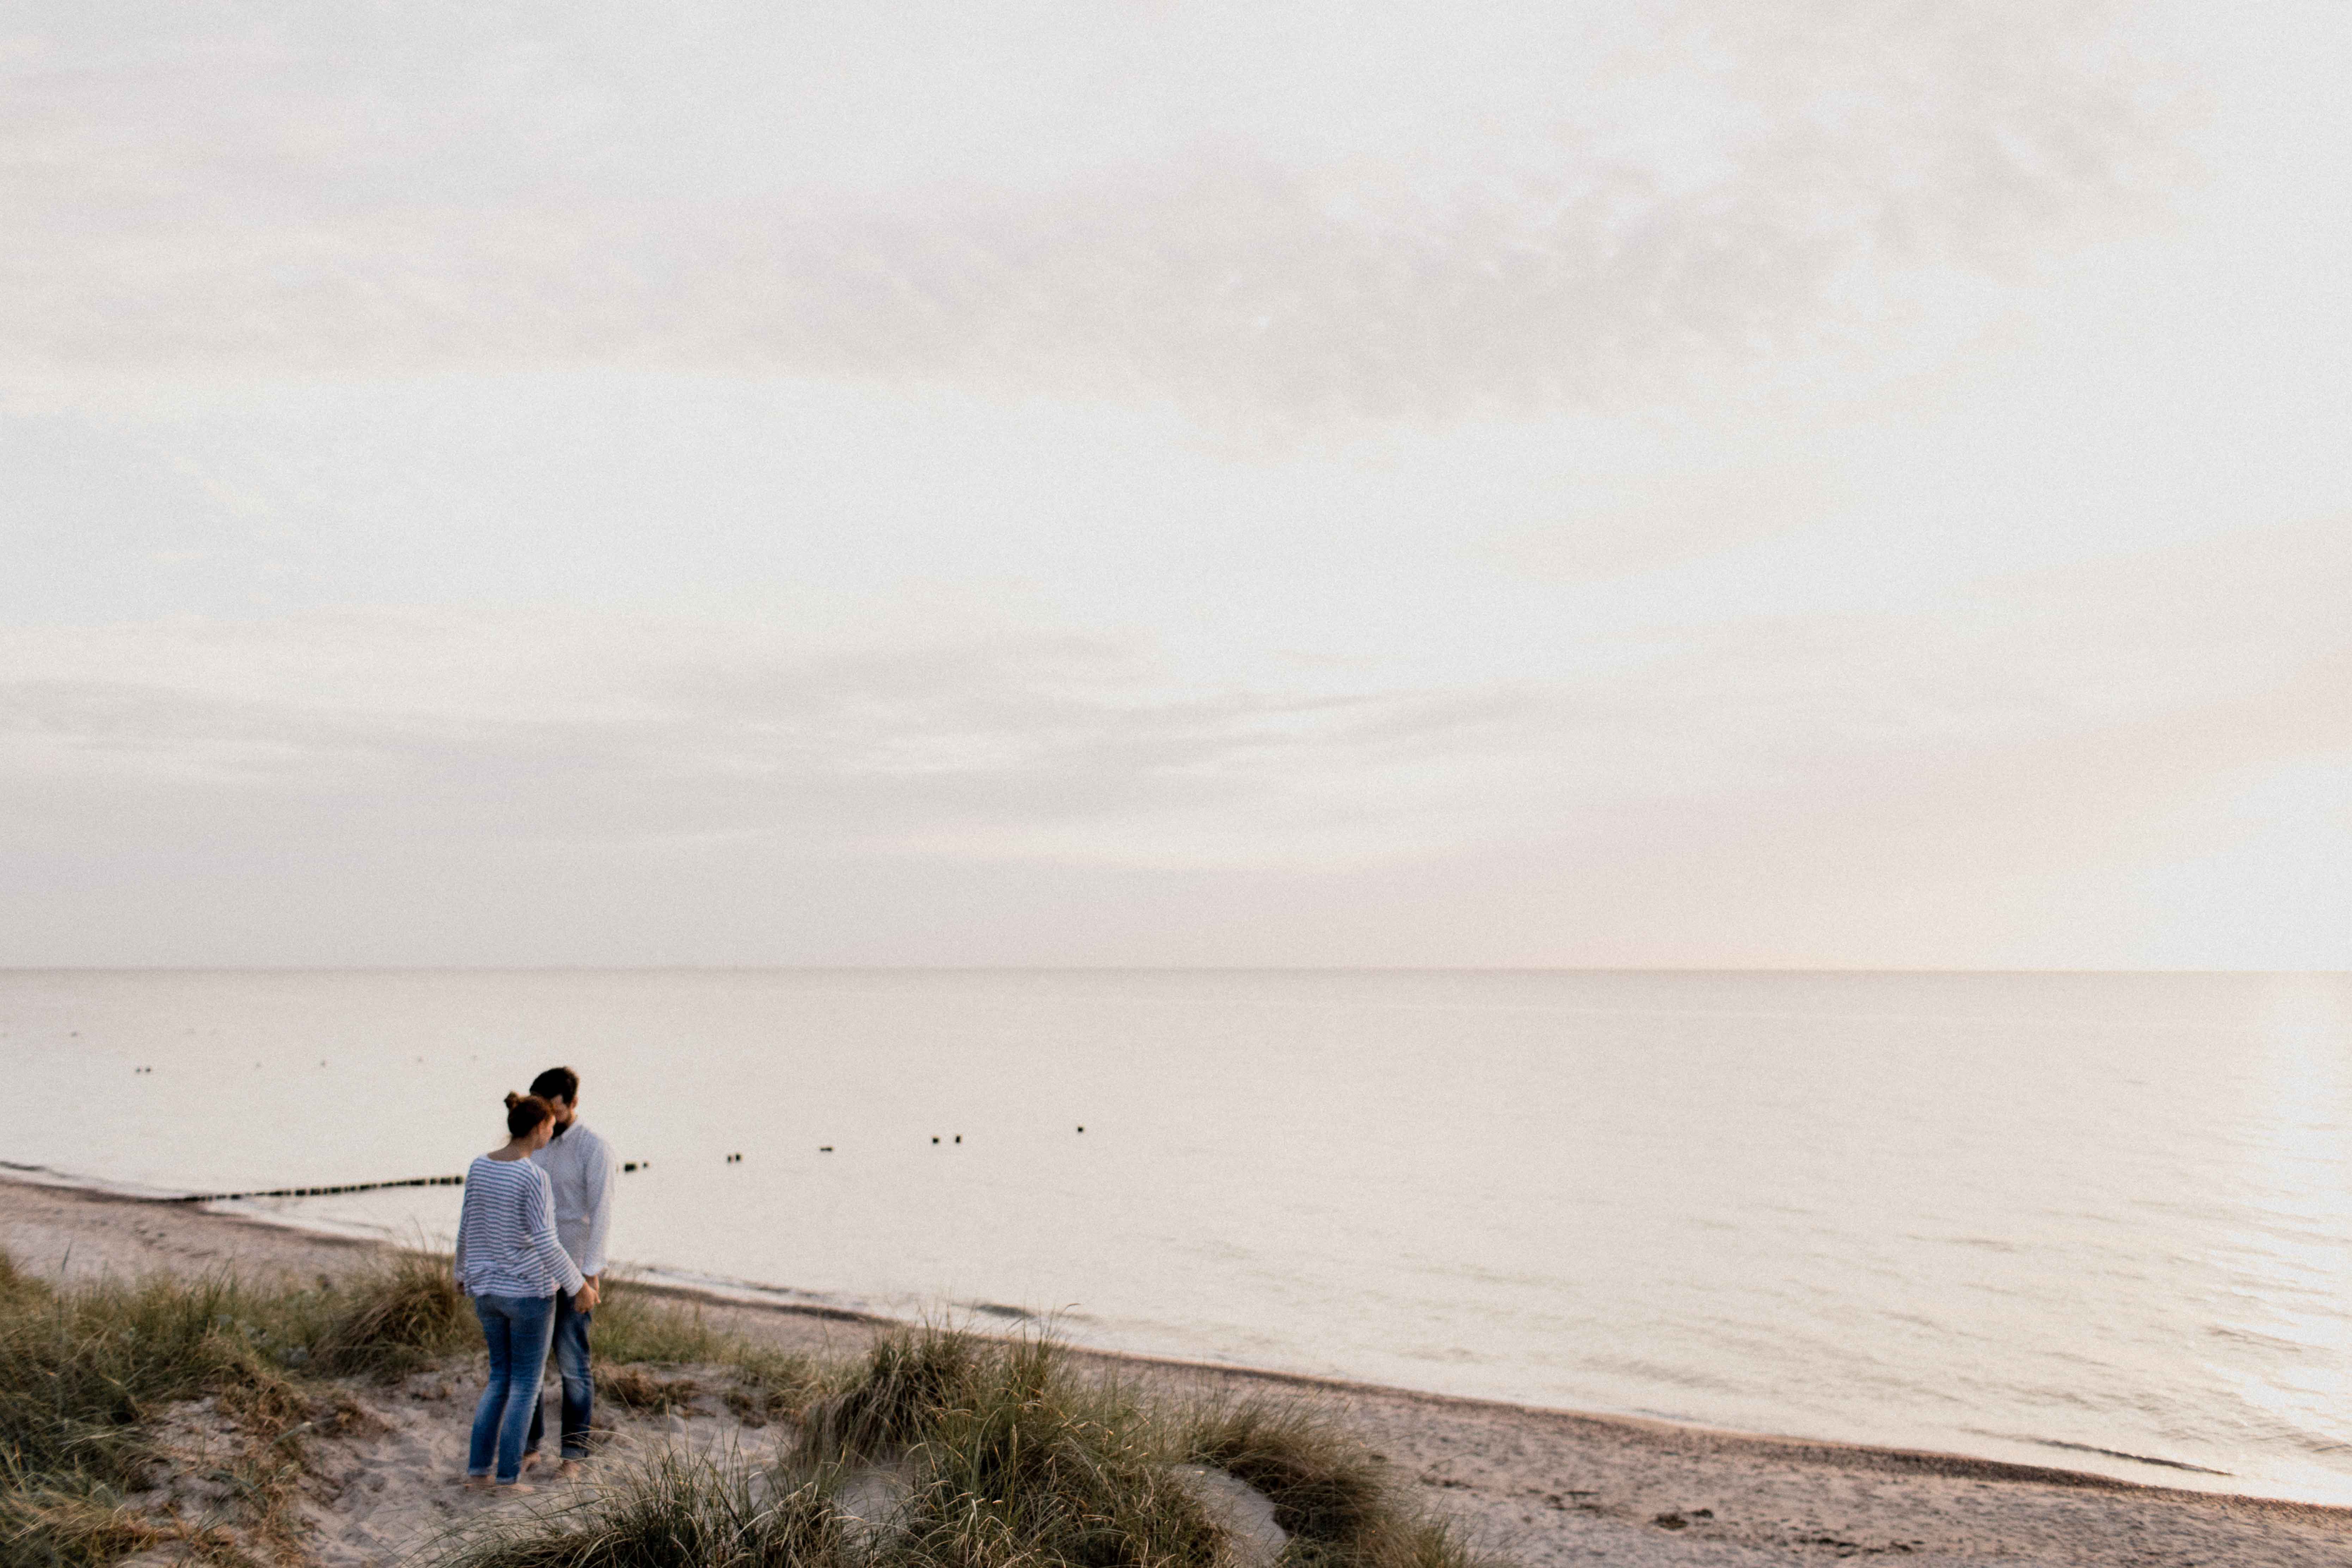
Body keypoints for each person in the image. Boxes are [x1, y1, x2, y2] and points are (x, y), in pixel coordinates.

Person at [452, 1092, 591, 1491]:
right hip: (528, 1294)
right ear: (538, 1128)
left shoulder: (480, 1166)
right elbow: (547, 1242)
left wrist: (460, 1271)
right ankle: (509, 1477)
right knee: (525, 1385)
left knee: (499, 1379)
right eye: (550, 1126)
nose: (552, 1132)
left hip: (487, 1291)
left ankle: (478, 1473)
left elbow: (467, 1225)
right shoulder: (533, 1177)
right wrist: (578, 1285)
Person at [522, 1066, 615, 1476]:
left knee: (574, 1364)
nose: (550, 1118)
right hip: (529, 1268)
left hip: (574, 1269)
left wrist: (591, 1273)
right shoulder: (532, 1141)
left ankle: (574, 1456)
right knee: (531, 1365)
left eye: (557, 1110)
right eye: (543, 1109)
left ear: (574, 1104)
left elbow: (602, 1213)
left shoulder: (594, 1147)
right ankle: (529, 1448)